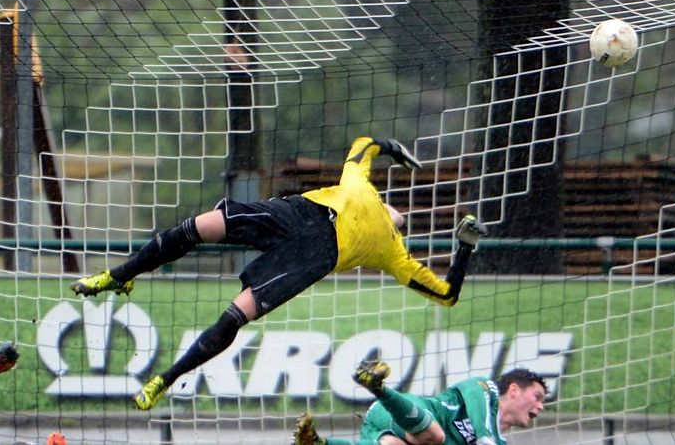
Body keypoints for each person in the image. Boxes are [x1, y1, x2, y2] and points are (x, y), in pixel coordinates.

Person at [70, 136, 487, 411]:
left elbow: (446, 294)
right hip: (300, 213)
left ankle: (166, 378)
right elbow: (366, 145)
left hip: (313, 256)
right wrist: (393, 148)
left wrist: (465, 248)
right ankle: (120, 274)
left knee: (236, 315)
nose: (399, 216)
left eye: (402, 218)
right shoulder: (359, 182)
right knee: (200, 226)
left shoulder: (394, 252)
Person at [293, 360, 547, 445]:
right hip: (397, 410)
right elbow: (478, 409)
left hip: (385, 430)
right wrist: (485, 438)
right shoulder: (485, 389)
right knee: (435, 435)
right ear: (513, 390)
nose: (541, 407)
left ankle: (318, 442)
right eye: (537, 397)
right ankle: (378, 387)